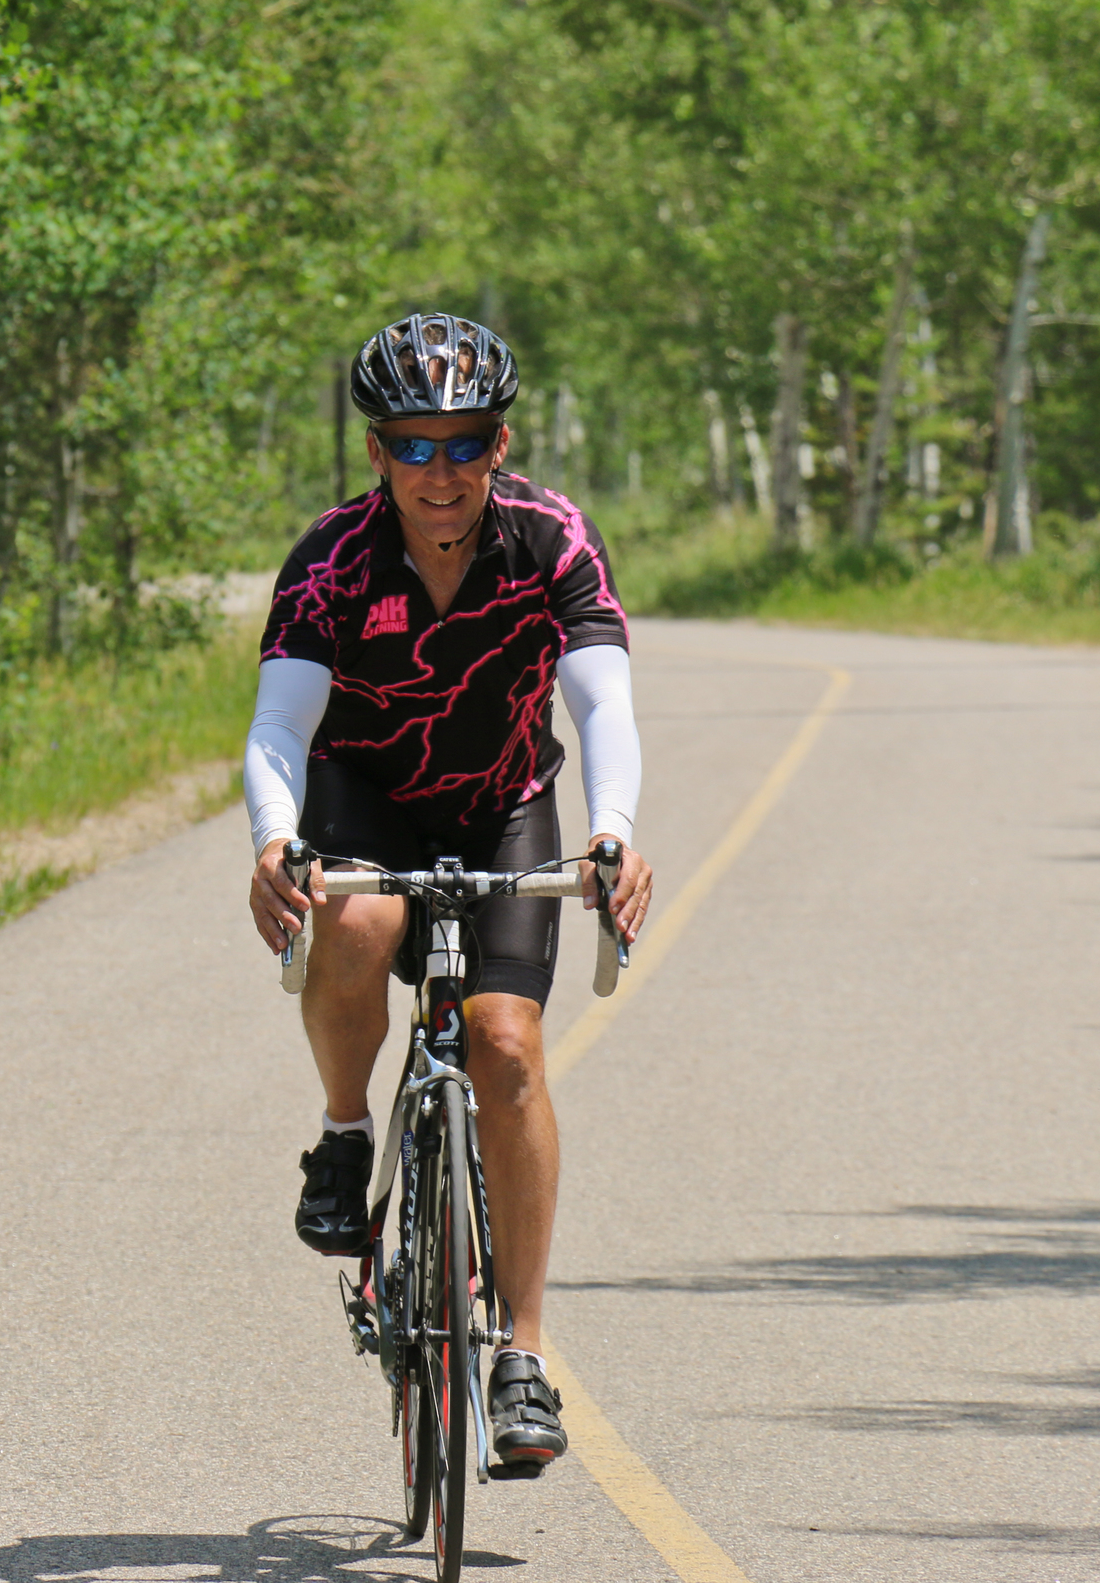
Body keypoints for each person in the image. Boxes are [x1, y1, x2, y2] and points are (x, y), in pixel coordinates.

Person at [242, 312, 652, 1475]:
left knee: (506, 1047)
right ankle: (342, 1128)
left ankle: (522, 1351)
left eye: (463, 443)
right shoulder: (329, 559)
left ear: (500, 443)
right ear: (374, 453)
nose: (440, 470)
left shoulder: (553, 537)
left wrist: (612, 833)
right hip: (363, 793)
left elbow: (602, 700)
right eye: (412, 445)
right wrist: (276, 840)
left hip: (499, 798)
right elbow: (280, 724)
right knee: (360, 917)